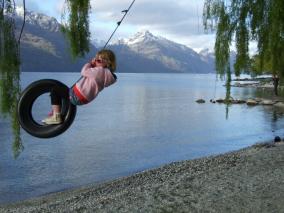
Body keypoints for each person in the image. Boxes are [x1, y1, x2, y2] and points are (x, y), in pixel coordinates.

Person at [42, 49, 117, 125]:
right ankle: (55, 112)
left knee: (55, 90)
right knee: (62, 93)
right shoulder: (106, 76)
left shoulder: (99, 71)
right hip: (83, 99)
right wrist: (96, 65)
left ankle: (56, 116)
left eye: (98, 61)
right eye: (96, 59)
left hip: (77, 95)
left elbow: (83, 71)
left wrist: (90, 63)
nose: (96, 61)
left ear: (107, 63)